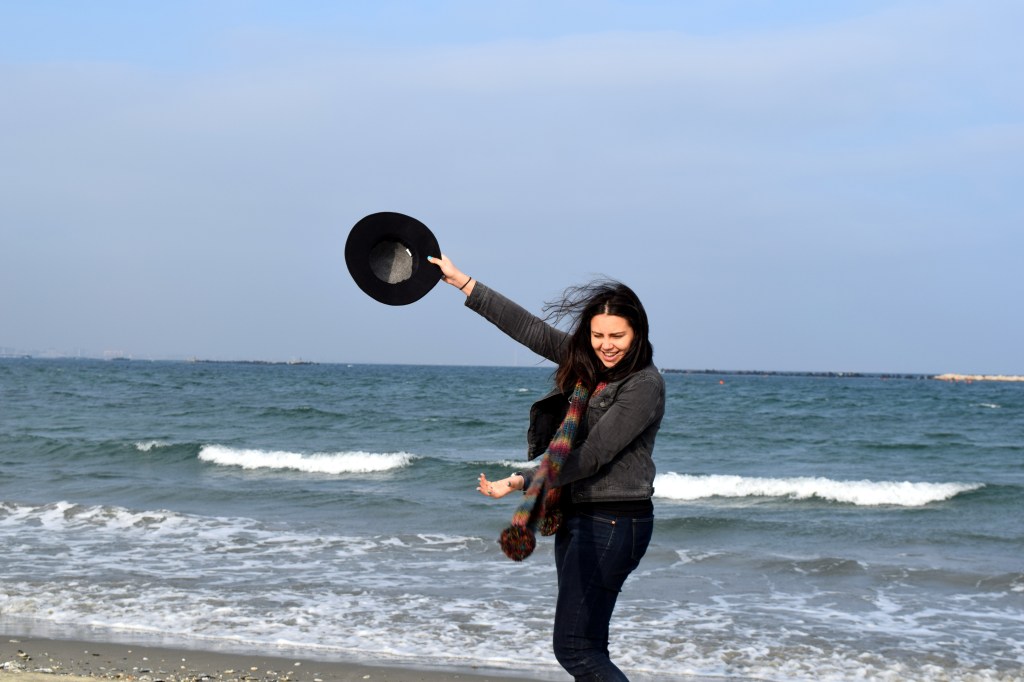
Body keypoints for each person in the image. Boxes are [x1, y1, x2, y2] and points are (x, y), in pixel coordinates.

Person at [428, 254, 665, 682]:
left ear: (637, 334)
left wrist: (522, 480)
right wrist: (464, 283)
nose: (606, 344)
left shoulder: (644, 384)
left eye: (617, 336)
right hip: (580, 514)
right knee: (588, 645)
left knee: (574, 648)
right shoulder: (587, 365)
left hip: (614, 522)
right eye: (597, 335)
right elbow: (530, 330)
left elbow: (592, 455)